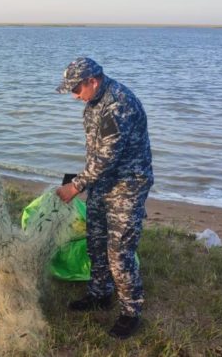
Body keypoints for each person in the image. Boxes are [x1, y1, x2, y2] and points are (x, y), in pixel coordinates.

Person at [54, 57, 153, 339]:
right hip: (101, 182)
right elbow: (96, 153)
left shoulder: (119, 104)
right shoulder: (92, 103)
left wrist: (75, 186)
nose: (74, 96)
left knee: (119, 254)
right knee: (95, 241)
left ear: (92, 81)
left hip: (128, 185)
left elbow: (108, 156)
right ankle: (100, 293)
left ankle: (131, 312)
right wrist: (82, 179)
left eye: (76, 89)